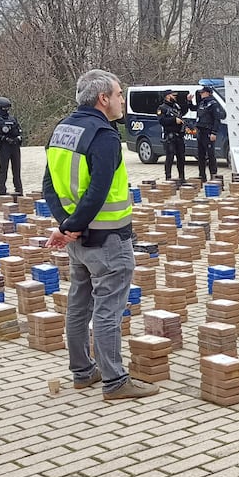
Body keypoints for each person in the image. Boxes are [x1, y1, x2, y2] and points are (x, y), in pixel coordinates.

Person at [43, 69, 157, 401]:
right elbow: (98, 190)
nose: (123, 100)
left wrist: (67, 225)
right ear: (103, 98)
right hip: (108, 240)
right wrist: (74, 225)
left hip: (78, 240)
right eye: (120, 94)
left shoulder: (62, 130)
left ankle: (82, 372)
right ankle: (115, 381)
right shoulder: (104, 136)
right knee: (108, 309)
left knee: (79, 305)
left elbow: (48, 186)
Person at [0, 97, 25, 196]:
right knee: (3, 170)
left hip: (15, 146)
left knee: (16, 170)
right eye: (4, 108)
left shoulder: (13, 119)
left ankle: (19, 190)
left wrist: (18, 138)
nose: (6, 110)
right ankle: (2, 191)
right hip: (4, 146)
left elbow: (19, 130)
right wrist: (4, 138)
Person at [191, 86, 222, 180]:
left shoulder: (213, 104)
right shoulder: (202, 103)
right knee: (200, 155)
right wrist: (189, 101)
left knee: (210, 154)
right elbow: (193, 108)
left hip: (208, 131)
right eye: (200, 93)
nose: (201, 94)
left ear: (208, 93)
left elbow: (217, 119)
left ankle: (213, 175)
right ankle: (202, 175)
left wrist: (214, 132)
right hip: (200, 131)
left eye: (202, 93)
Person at [156, 89, 187, 183]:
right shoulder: (162, 108)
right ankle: (168, 177)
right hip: (170, 136)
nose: (175, 97)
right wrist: (174, 120)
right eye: (173, 95)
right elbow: (162, 121)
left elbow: (183, 112)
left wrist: (188, 102)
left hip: (179, 136)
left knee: (181, 157)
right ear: (167, 96)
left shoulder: (176, 106)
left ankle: (182, 177)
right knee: (170, 157)